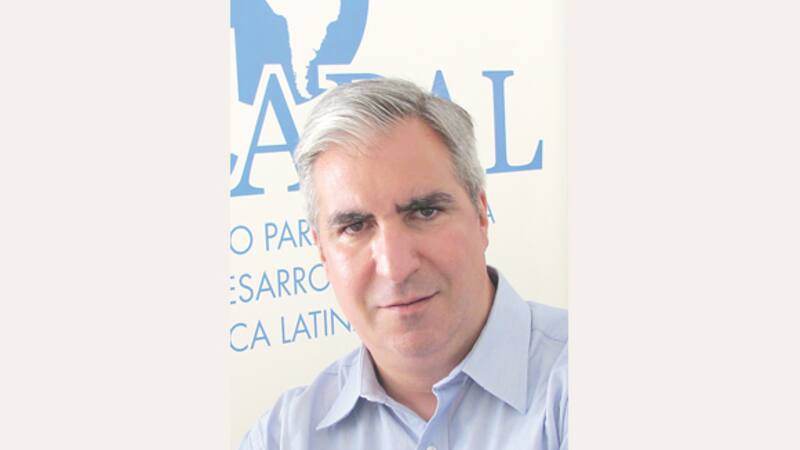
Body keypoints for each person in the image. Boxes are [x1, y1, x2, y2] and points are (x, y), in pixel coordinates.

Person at [238, 78, 568, 450]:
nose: (395, 268)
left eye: (425, 212)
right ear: (322, 253)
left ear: (480, 216)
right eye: (354, 226)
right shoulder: (283, 436)